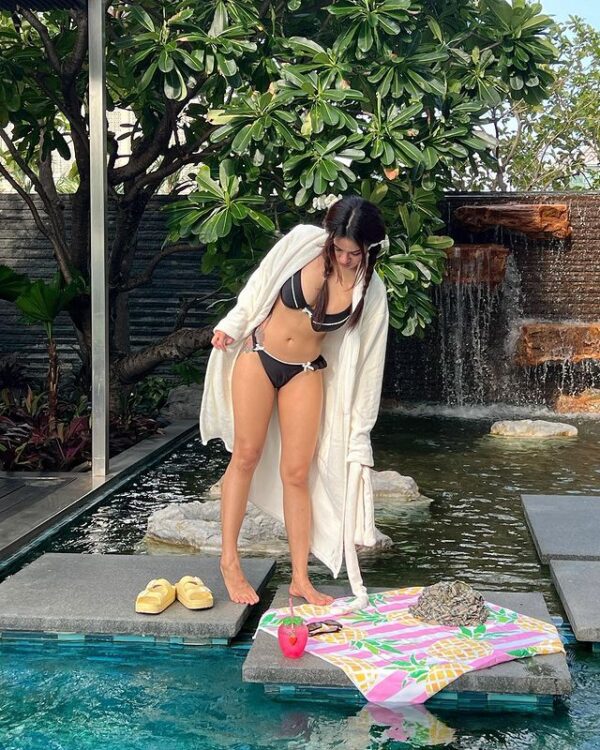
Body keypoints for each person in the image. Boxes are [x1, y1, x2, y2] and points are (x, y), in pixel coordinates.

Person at [200, 195, 390, 608]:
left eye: (353, 253)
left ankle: (301, 578)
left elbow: (370, 367)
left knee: (298, 473)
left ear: (369, 249)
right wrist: (233, 323)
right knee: (245, 456)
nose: (343, 258)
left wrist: (360, 434)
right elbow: (260, 284)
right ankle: (229, 561)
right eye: (338, 248)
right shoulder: (304, 242)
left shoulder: (371, 293)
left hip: (305, 371)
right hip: (259, 355)